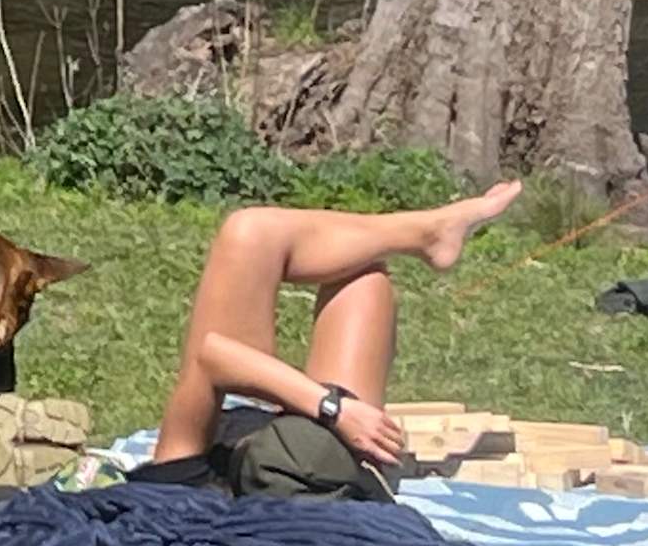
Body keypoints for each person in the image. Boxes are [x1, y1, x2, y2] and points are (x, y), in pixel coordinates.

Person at [137, 179, 525, 493]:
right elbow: (216, 357)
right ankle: (427, 232)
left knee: (249, 231)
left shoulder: (180, 490)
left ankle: (427, 232)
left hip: (238, 415)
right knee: (363, 279)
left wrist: (331, 409)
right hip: (330, 443)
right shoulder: (333, 485)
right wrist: (333, 412)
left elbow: (213, 357)